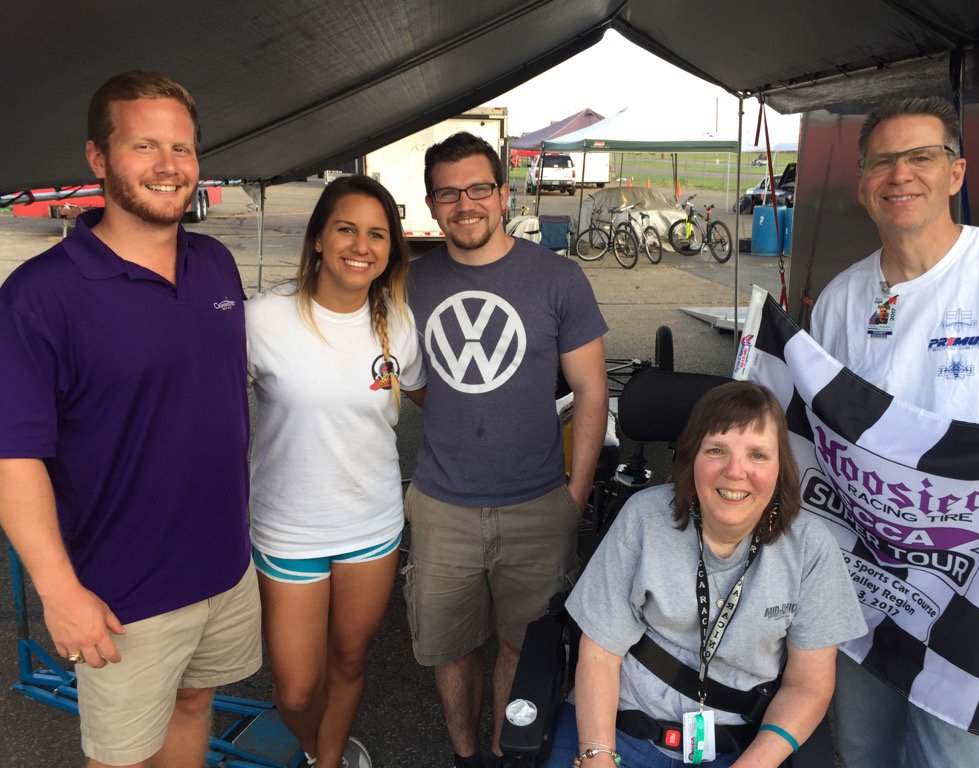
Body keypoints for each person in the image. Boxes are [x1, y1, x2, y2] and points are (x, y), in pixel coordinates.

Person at [0, 71, 259, 768]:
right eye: (144, 146)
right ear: (98, 157)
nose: (169, 166)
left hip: (223, 565)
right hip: (122, 589)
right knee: (122, 757)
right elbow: (13, 458)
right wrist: (59, 591)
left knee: (195, 703)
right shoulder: (39, 296)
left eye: (182, 147)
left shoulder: (215, 264)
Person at [810, 97, 979, 767]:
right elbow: (818, 440)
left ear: (955, 173)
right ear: (861, 184)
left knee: (950, 760)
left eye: (921, 157)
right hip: (869, 588)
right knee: (861, 750)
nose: (900, 175)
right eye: (882, 162)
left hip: (977, 596)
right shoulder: (841, 300)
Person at [404, 132, 609, 767]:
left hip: (537, 503)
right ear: (432, 205)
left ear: (502, 193)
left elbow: (592, 391)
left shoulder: (557, 277)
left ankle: (504, 755)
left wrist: (575, 495)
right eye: (448, 193)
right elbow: (411, 379)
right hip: (442, 505)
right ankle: (468, 758)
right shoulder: (410, 282)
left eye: (478, 188)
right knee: (452, 650)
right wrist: (462, 409)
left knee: (525, 647)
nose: (464, 204)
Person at [541, 381, 867, 768]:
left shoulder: (810, 549)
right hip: (619, 728)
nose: (735, 471)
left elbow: (808, 686)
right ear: (691, 458)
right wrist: (598, 755)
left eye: (757, 455)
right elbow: (599, 654)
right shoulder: (644, 519)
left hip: (737, 749)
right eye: (716, 450)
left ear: (780, 468)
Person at [245, 175, 425, 768]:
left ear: (391, 249)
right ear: (319, 238)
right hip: (288, 529)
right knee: (296, 688)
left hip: (371, 525)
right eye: (346, 229)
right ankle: (316, 744)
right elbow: (205, 406)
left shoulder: (398, 322)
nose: (361, 246)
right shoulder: (262, 319)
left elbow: (433, 397)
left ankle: (329, 761)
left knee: (349, 659)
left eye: (378, 234)